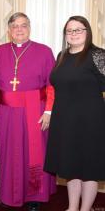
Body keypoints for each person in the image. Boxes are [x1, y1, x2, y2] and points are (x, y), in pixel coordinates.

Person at [0, 12, 56, 211]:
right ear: (9, 30)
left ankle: (34, 195)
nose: (19, 29)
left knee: (34, 152)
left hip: (35, 110)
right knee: (9, 152)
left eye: (24, 25)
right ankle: (9, 193)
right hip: (6, 111)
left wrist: (48, 112)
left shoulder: (44, 51)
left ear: (30, 28)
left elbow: (52, 85)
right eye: (15, 26)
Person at [44, 16, 105, 211]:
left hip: (91, 121)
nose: (74, 34)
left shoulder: (98, 55)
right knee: (70, 166)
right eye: (70, 31)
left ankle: (85, 209)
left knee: (89, 168)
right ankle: (72, 207)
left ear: (87, 32)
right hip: (64, 120)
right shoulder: (61, 55)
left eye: (79, 30)